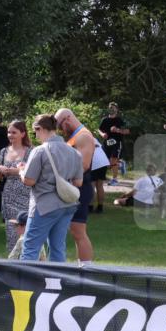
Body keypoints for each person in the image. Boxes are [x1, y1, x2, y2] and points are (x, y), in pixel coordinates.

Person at [20, 115, 83, 262]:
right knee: (57, 248)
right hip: (67, 205)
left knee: (30, 247)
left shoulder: (40, 151)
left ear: (40, 129)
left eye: (35, 132)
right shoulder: (74, 152)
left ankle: (25, 284)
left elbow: (29, 181)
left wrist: (20, 172)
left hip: (44, 205)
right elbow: (78, 182)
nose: (35, 136)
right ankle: (56, 284)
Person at [55, 108, 99, 262]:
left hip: (81, 188)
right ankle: (83, 267)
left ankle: (86, 270)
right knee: (75, 231)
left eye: (60, 126)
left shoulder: (84, 136)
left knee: (78, 231)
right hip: (74, 188)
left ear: (67, 119)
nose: (60, 130)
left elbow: (84, 164)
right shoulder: (75, 137)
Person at [0, 120, 33, 252]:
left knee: (27, 230)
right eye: (9, 132)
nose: (10, 135)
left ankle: (29, 261)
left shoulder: (30, 151)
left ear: (23, 134)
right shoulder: (3, 151)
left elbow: (33, 174)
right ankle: (12, 260)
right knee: (11, 231)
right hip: (9, 195)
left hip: (26, 194)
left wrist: (16, 171)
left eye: (14, 132)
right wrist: (0, 170)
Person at [98, 102, 129, 186]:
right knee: (105, 162)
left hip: (117, 143)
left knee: (113, 160)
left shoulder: (119, 120)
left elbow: (127, 131)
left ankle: (115, 180)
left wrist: (118, 130)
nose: (111, 109)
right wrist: (102, 134)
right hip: (107, 143)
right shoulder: (105, 120)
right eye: (110, 107)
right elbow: (99, 129)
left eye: (113, 107)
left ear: (117, 109)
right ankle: (120, 164)